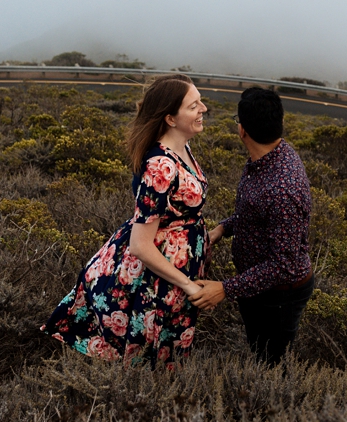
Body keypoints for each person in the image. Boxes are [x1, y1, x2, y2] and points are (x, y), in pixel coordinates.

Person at [40, 74, 210, 369]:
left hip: (174, 269)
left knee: (165, 351)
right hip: (156, 279)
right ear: (170, 118)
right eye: (194, 105)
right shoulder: (161, 165)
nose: (203, 109)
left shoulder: (183, 148)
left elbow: (176, 219)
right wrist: (190, 286)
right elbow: (141, 245)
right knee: (150, 355)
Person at [190, 87, 313, 366]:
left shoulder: (283, 188)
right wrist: (221, 229)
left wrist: (225, 288)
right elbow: (257, 216)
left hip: (279, 296)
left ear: (242, 130)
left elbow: (283, 265)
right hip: (259, 289)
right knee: (260, 351)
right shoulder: (270, 158)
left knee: (271, 364)